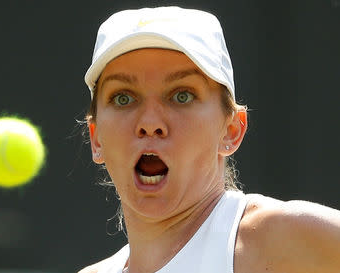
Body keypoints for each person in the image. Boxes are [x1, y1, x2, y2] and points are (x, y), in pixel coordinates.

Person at [78, 6, 340, 273]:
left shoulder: (285, 239)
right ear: (96, 138)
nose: (150, 123)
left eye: (182, 95)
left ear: (231, 130)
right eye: (124, 98)